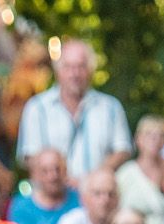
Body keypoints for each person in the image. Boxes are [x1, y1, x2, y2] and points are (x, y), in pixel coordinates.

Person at [16, 39, 131, 182]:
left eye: (81, 67)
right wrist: (60, 180)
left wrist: (92, 180)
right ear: (57, 71)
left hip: (98, 192)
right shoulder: (37, 108)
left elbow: (122, 150)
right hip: (53, 192)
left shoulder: (110, 107)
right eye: (68, 67)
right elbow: (31, 156)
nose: (75, 74)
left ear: (91, 70)